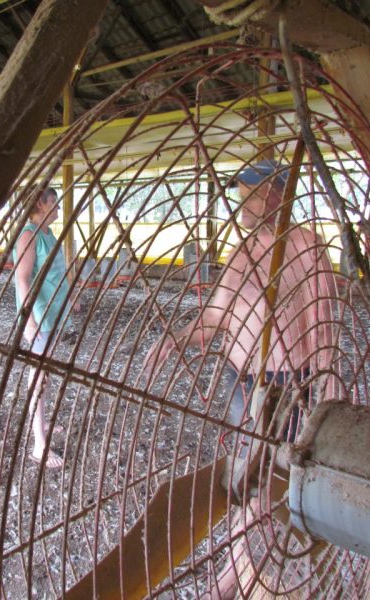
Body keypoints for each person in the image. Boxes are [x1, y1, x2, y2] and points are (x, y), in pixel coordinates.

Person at [145, 160, 337, 598]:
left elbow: (323, 324)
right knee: (248, 474)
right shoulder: (243, 251)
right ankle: (248, 563)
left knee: (259, 479)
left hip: (286, 387)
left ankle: (234, 574)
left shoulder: (307, 247)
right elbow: (216, 318)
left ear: (273, 193)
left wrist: (326, 393)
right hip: (241, 383)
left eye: (247, 191)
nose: (240, 201)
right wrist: (177, 340)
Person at [13, 186, 73, 469]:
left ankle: (43, 425)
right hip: (41, 317)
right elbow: (22, 280)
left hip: (54, 314)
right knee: (38, 377)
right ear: (41, 204)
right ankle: (39, 444)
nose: (58, 210)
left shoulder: (47, 235)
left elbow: (55, 273)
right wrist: (30, 321)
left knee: (45, 373)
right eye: (54, 204)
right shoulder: (29, 235)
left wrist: (71, 300)